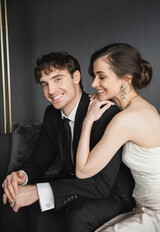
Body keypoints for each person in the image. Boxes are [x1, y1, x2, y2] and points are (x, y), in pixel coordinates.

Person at [0, 51, 135, 232]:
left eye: (57, 79)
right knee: (9, 196)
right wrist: (22, 176)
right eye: (44, 84)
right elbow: (40, 160)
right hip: (73, 183)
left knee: (78, 214)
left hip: (111, 193)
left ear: (76, 77)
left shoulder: (105, 113)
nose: (51, 91)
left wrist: (39, 192)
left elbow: (101, 185)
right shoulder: (52, 114)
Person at [75, 43, 160, 232]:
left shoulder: (126, 119)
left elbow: (82, 171)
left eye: (101, 76)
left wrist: (87, 121)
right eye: (94, 76)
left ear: (126, 79)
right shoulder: (143, 108)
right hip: (144, 206)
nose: (94, 84)